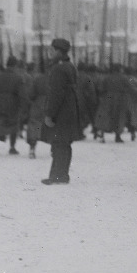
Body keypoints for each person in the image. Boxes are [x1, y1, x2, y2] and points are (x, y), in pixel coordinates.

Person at [40, 39, 82, 184]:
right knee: (64, 143)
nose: (50, 53)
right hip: (69, 109)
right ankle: (61, 174)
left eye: (52, 50)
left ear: (58, 51)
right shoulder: (69, 66)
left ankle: (58, 175)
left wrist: (50, 114)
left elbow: (56, 93)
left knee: (59, 144)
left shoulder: (58, 69)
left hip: (61, 112)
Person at [0, 56, 29, 155]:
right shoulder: (18, 77)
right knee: (14, 125)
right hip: (13, 103)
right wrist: (24, 106)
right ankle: (12, 147)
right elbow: (22, 94)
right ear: (15, 65)